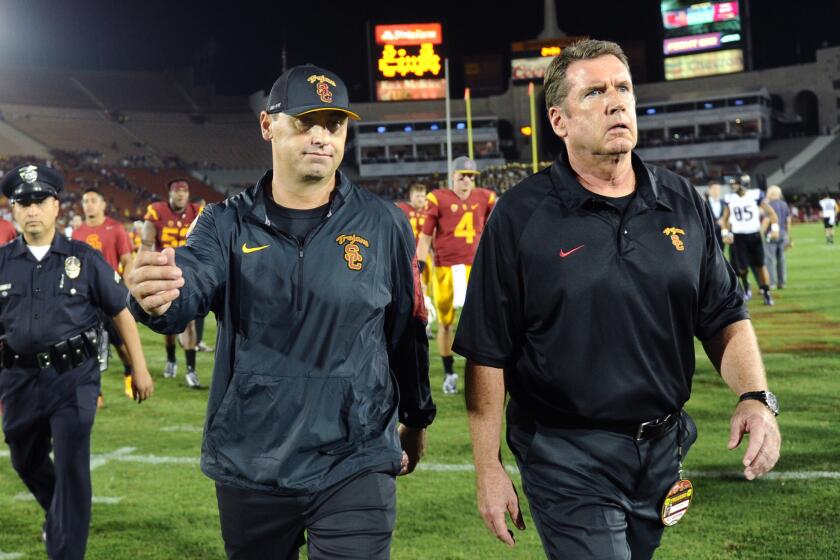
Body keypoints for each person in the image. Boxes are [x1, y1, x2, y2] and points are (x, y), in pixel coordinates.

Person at [452, 40, 781, 560]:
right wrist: (487, 468)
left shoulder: (681, 200)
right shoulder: (520, 215)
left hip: (662, 448)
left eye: (622, 88)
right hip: (565, 451)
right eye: (596, 92)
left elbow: (723, 316)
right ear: (558, 121)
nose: (616, 102)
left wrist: (756, 398)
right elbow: (487, 351)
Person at [125, 64, 435, 560]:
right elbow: (187, 288)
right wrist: (154, 295)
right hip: (253, 460)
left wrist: (416, 418)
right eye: (304, 121)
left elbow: (406, 329)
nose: (320, 136)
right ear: (269, 125)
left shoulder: (384, 223)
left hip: (355, 460)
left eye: (333, 124)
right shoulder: (223, 223)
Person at [0, 164, 154, 560]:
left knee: (71, 465)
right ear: (13, 210)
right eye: (23, 203)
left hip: (73, 379)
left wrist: (137, 367)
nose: (32, 209)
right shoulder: (1, 262)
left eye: (40, 201)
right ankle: (60, 515)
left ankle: (66, 548)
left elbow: (120, 312)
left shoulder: (84, 259)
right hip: (18, 380)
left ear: (56, 206)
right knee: (24, 457)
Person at [416, 157, 495, 395]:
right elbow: (426, 238)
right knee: (446, 322)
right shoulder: (438, 198)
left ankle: (487, 372)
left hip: (476, 267)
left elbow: (495, 231)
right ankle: (450, 373)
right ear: (453, 176)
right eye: (462, 176)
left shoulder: (485, 198)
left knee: (485, 322)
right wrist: (419, 267)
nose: (467, 181)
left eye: (470, 176)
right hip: (445, 268)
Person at [73, 187, 141, 401]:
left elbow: (127, 259)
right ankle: (96, 393)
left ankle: (130, 376)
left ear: (103, 204)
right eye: (85, 201)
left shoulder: (116, 228)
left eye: (93, 200)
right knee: (88, 347)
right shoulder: (77, 233)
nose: (89, 204)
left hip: (111, 297)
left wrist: (125, 286)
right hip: (87, 300)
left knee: (122, 346)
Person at [141, 178, 202, 387]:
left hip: (189, 275)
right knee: (168, 323)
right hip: (164, 274)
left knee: (190, 323)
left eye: (184, 191)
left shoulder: (197, 211)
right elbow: (147, 241)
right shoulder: (157, 211)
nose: (181, 194)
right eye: (177, 191)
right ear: (170, 194)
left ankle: (191, 370)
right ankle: (171, 360)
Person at [721, 175, 779, 305]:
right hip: (738, 237)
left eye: (736, 183)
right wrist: (725, 233)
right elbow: (725, 218)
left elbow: (771, 213)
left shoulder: (755, 195)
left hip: (754, 236)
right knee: (741, 268)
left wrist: (775, 228)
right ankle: (746, 285)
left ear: (744, 184)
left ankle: (766, 292)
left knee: (760, 266)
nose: (733, 186)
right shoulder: (730, 198)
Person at [396, 183, 435, 337]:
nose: (421, 199)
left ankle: (425, 324)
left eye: (423, 196)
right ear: (411, 196)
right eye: (418, 196)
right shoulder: (401, 209)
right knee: (412, 291)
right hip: (407, 257)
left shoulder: (429, 211)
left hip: (426, 257)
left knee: (425, 292)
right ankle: (418, 323)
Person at [764, 185, 792, 289]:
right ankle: (782, 282)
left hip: (771, 234)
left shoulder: (768, 205)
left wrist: (761, 233)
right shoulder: (784, 204)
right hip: (782, 234)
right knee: (781, 259)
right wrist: (787, 235)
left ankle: (771, 283)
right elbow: (788, 221)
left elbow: (767, 220)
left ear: (771, 194)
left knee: (769, 259)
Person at [705, 180, 727, 251]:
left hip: (722, 231)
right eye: (714, 189)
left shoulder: (724, 203)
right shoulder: (704, 204)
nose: (716, 191)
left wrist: (723, 220)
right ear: (709, 190)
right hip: (710, 232)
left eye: (718, 189)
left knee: (722, 251)